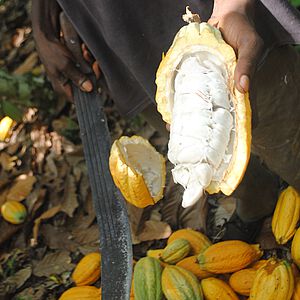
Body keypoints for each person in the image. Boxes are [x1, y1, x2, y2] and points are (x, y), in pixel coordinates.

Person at [31, 0, 300, 242]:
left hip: (212, 14)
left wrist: (234, 6)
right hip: (114, 32)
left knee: (285, 131)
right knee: (196, 141)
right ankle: (258, 200)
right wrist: (42, 19)